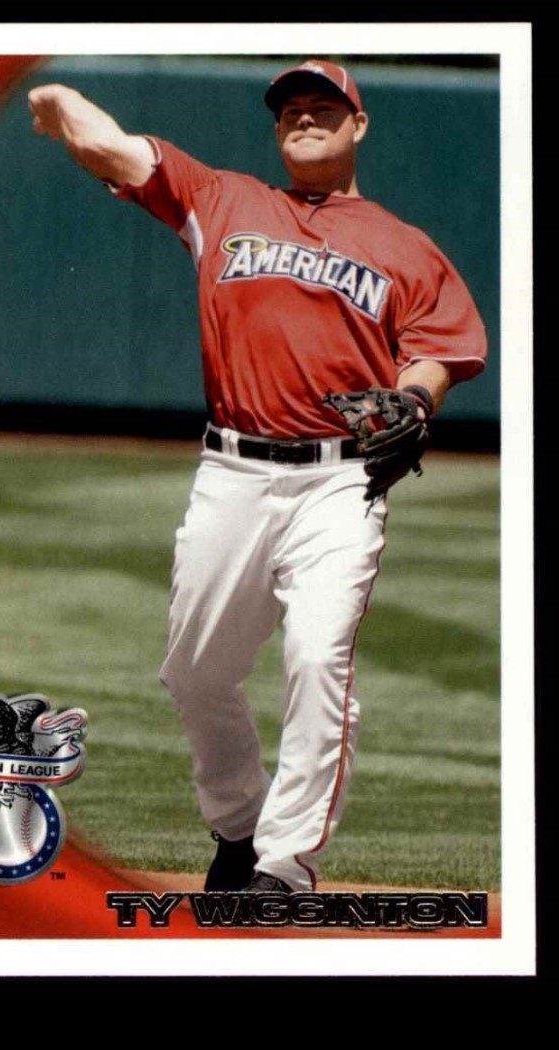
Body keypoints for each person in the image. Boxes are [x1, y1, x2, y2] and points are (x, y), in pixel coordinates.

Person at [27, 59, 487, 893]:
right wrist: (59, 98)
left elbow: (438, 352)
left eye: (323, 107)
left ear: (358, 124)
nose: (303, 118)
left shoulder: (406, 247)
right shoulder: (219, 199)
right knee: (194, 670)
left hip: (339, 483)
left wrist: (416, 400)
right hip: (230, 473)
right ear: (276, 130)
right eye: (289, 110)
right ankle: (239, 827)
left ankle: (284, 865)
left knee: (317, 657)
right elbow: (113, 149)